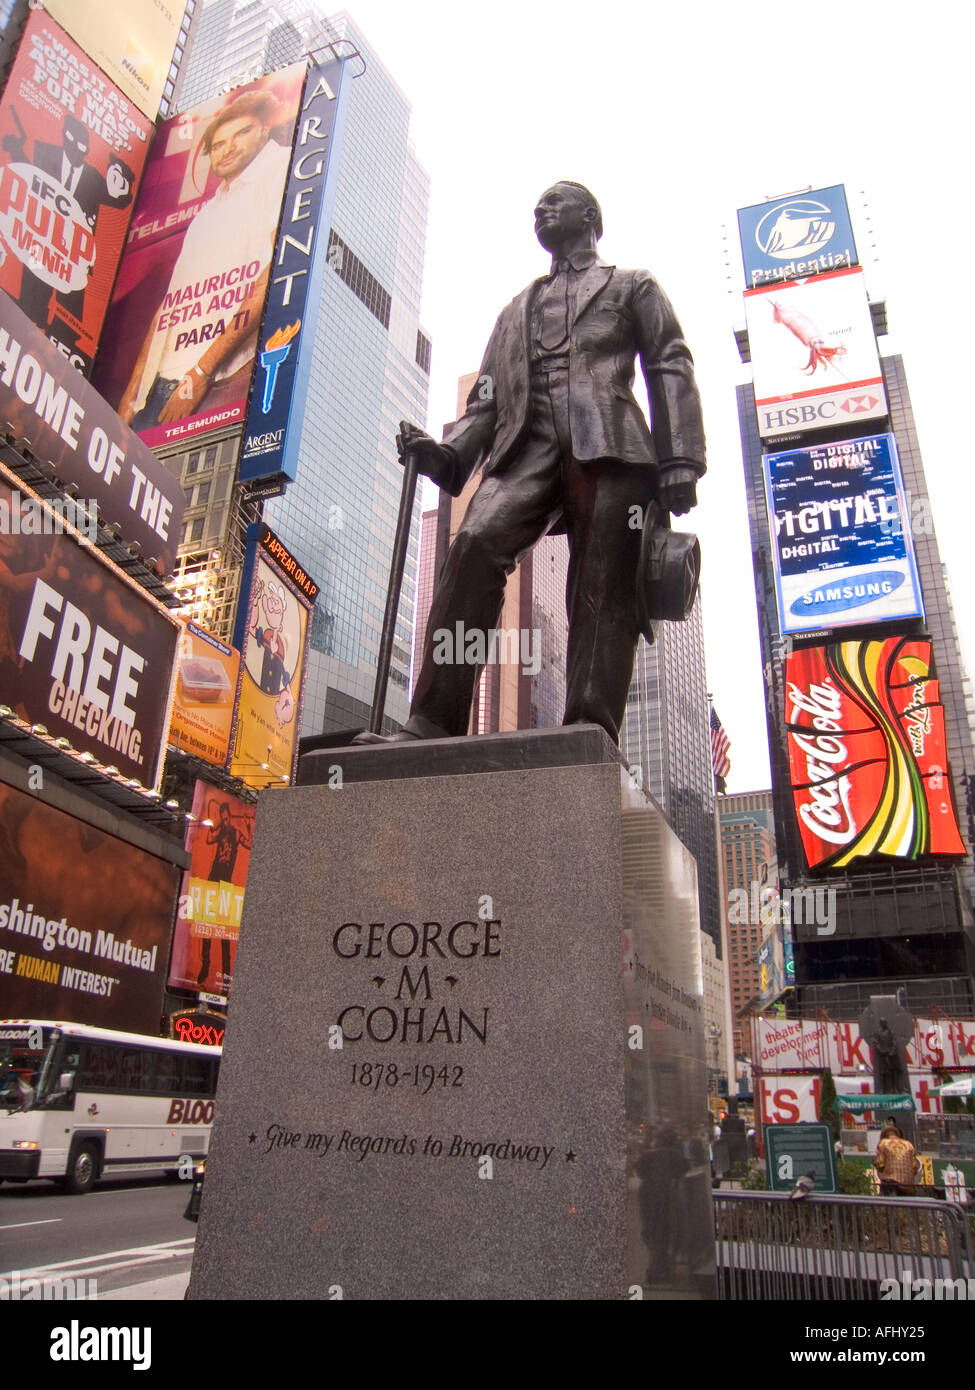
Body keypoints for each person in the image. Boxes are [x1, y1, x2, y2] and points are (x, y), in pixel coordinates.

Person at [357, 181, 705, 746]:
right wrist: (447, 456)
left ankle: (590, 724)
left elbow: (670, 360)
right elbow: (488, 399)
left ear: (591, 216)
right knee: (473, 544)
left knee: (601, 583)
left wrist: (680, 458)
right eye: (538, 205)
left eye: (556, 201)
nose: (541, 209)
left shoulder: (632, 285)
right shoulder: (516, 309)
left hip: (612, 447)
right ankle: (432, 720)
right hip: (530, 449)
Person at [119, 90, 292, 432]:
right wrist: (132, 392)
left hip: (215, 385)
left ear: (265, 129)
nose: (227, 148)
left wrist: (200, 373)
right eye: (218, 143)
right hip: (159, 389)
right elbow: (171, 304)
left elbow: (271, 278)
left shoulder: (279, 172)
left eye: (242, 133)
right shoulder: (208, 211)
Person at [875, 1120, 920, 1196]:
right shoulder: (908, 1144)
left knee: (885, 1203)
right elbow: (915, 1166)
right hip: (908, 1184)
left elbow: (880, 1164)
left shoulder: (883, 1143)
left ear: (885, 1136)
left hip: (891, 1182)